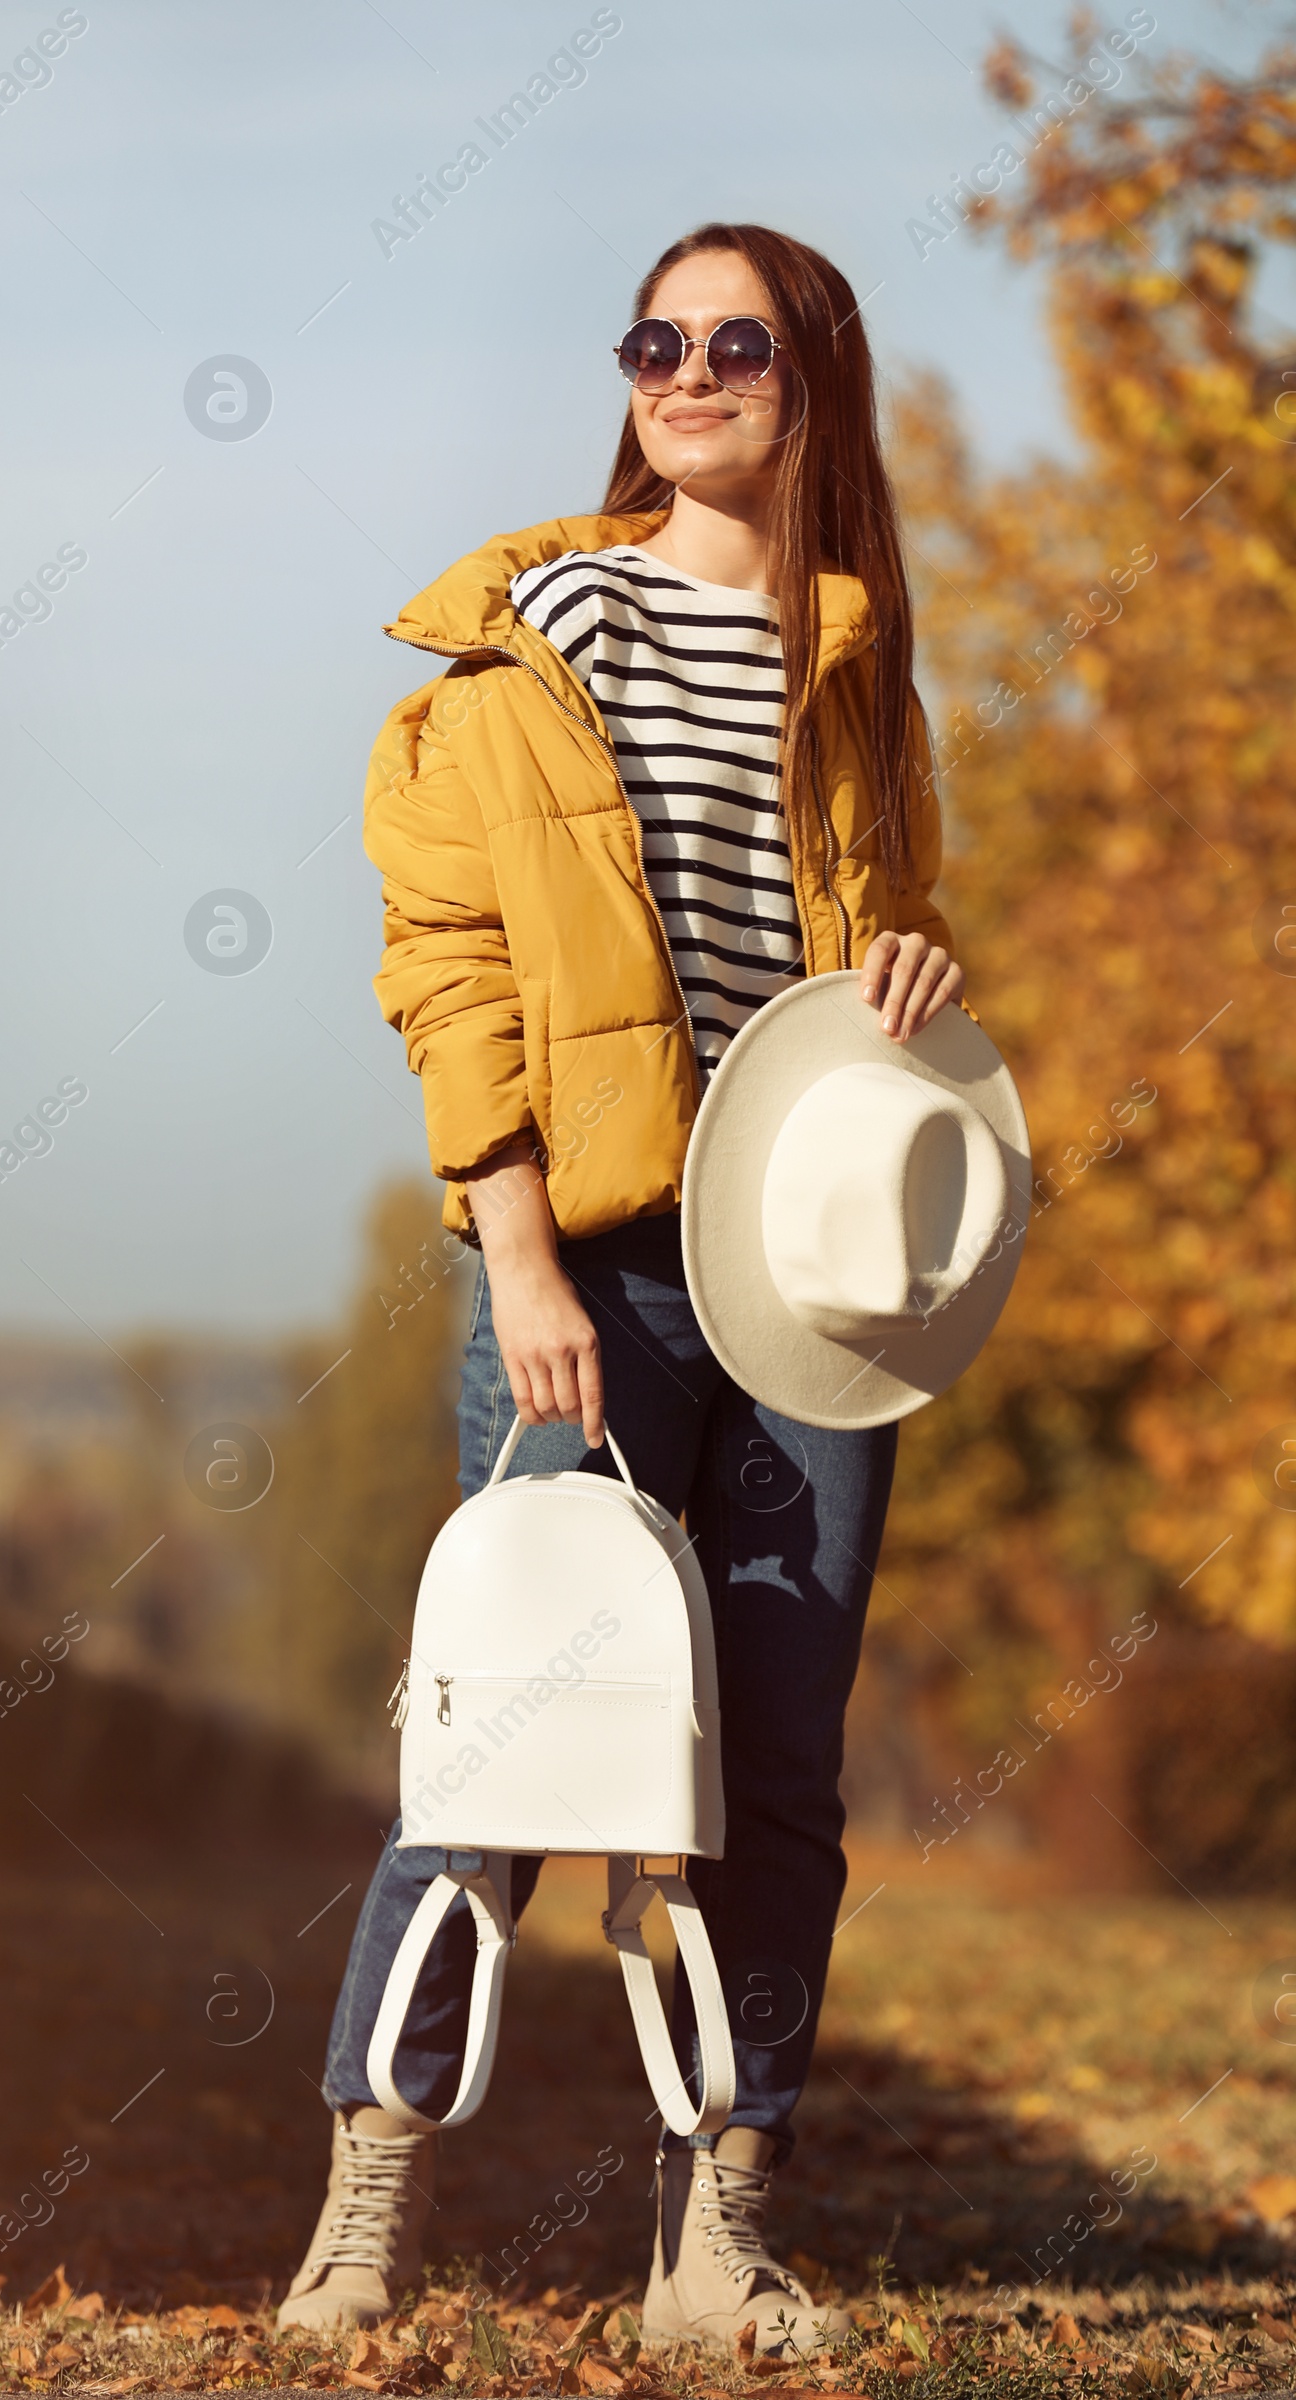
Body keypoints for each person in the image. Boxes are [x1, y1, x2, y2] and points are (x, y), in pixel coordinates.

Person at [278, 220, 966, 2351]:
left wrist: (915, 985)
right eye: (652, 340)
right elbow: (451, 973)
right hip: (585, 1270)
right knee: (513, 1742)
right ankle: (364, 2212)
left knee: (768, 1771)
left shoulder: (855, 669)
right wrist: (516, 1259)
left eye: (732, 343)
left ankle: (713, 2248)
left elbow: (858, 971)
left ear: (808, 381)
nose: (684, 372)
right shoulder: (539, 637)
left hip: (814, 1287)